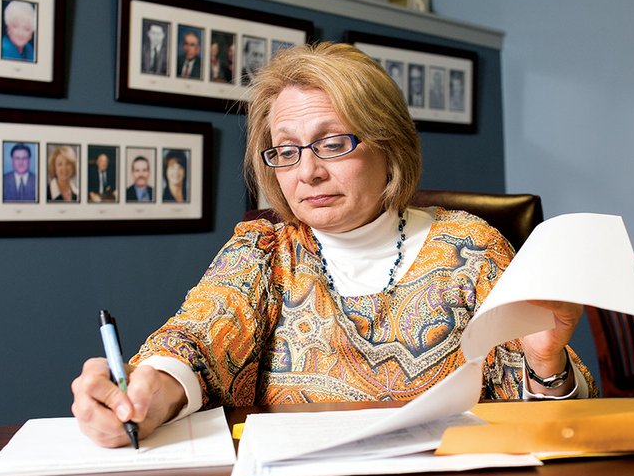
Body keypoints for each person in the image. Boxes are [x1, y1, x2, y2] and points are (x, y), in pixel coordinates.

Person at [71, 42, 597, 447]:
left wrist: (547, 361)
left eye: (332, 143)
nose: (308, 172)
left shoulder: (470, 248)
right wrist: (145, 395)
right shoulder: (265, 250)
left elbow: (556, 424)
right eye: (287, 150)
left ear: (388, 145)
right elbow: (198, 339)